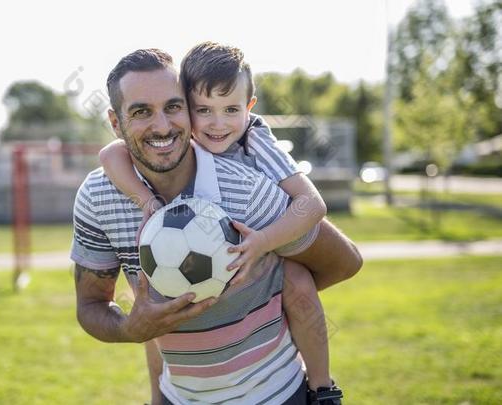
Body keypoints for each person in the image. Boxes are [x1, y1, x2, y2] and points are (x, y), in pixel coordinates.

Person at [72, 48, 362, 405]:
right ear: (116, 124)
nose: (162, 126)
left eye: (173, 107)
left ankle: (324, 389)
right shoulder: (98, 196)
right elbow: (90, 306)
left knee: (295, 280)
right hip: (178, 397)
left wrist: (270, 280)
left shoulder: (252, 185)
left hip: (278, 395)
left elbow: (340, 255)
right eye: (141, 111)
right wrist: (131, 328)